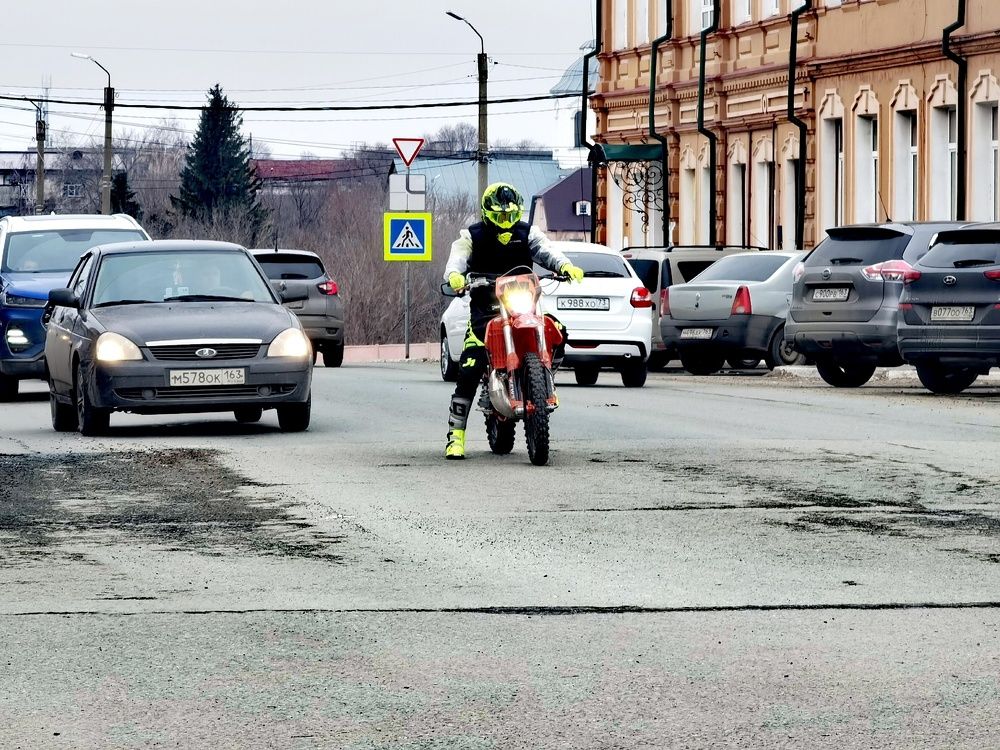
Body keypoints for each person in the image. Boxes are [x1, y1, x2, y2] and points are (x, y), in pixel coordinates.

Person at [443, 182, 584, 460]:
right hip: (486, 311)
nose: (506, 221)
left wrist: (564, 265)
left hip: (522, 307)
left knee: (557, 331)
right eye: (500, 215)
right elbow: (457, 258)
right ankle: (455, 436)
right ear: (488, 213)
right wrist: (456, 276)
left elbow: (545, 250)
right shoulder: (472, 235)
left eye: (510, 215)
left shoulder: (526, 232)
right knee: (470, 366)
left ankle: (542, 379)